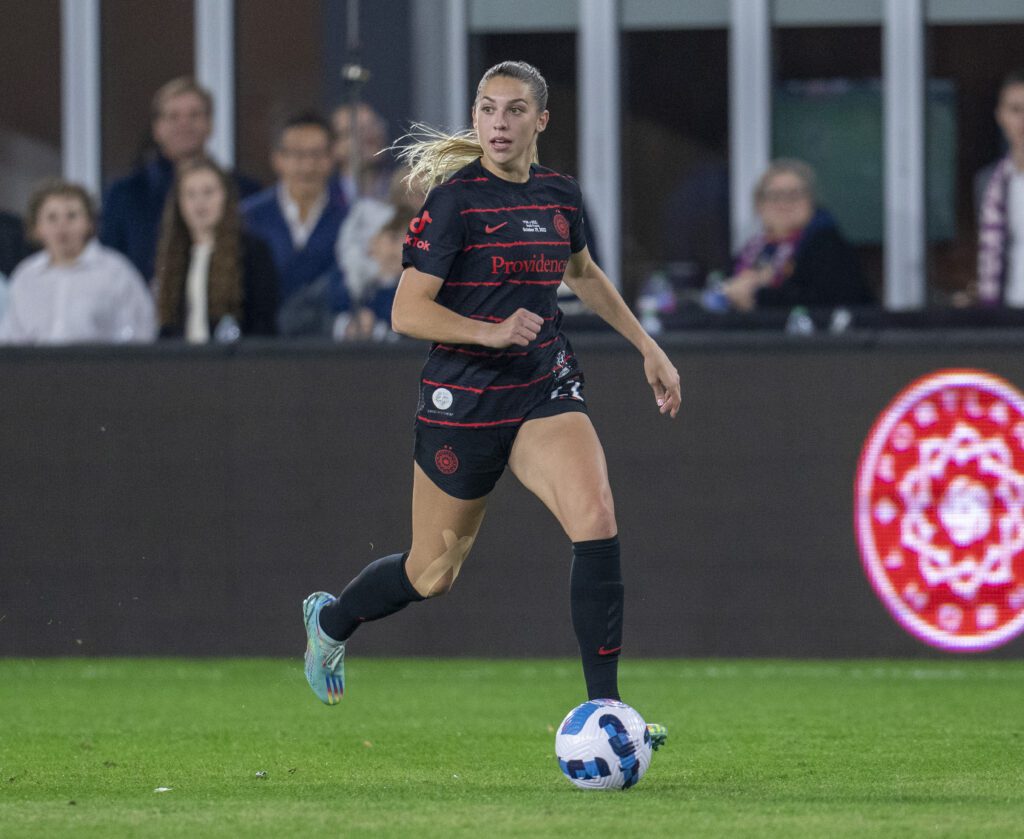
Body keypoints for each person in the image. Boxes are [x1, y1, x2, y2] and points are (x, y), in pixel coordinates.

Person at [301, 61, 680, 747]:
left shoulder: (560, 195)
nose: (498, 123)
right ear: (474, 118)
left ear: (541, 120)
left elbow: (582, 273)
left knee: (594, 515)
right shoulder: (454, 200)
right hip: (464, 399)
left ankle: (610, 713)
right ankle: (331, 622)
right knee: (431, 572)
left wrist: (645, 345)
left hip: (542, 384)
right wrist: (491, 329)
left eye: (513, 110)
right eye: (486, 109)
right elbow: (406, 310)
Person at [100, 77, 261, 280]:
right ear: (157, 128)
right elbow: (108, 266)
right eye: (173, 117)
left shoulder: (243, 191)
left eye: (194, 115)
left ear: (210, 124)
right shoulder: (125, 194)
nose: (184, 124)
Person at [0, 180, 156, 344]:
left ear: (90, 223)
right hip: (34, 368)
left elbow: (141, 331)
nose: (62, 226)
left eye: (72, 216)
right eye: (52, 217)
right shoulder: (25, 276)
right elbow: (10, 337)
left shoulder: (116, 272)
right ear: (37, 227)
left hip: (99, 367)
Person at [241, 113, 349, 335]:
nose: (308, 166)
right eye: (297, 155)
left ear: (331, 158)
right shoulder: (248, 217)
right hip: (262, 347)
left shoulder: (352, 218)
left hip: (329, 348)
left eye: (317, 155)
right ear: (277, 159)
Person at [718, 159, 869, 312]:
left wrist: (758, 296)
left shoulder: (828, 246)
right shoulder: (751, 249)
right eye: (774, 195)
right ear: (759, 205)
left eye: (794, 195)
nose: (784, 203)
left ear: (811, 201)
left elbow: (822, 303)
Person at [153, 157, 278, 340]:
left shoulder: (252, 251)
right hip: (181, 363)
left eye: (208, 192)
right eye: (190, 194)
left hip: (234, 363)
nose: (200, 203)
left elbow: (263, 324)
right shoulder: (174, 255)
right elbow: (168, 326)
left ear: (225, 197)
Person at [976, 69, 1024, 306]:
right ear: (1000, 116)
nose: (1023, 121)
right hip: (1007, 319)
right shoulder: (987, 183)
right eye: (1016, 111)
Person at [336, 212, 405, 341]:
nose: (402, 247)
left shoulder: (413, 293)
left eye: (408, 239)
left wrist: (378, 329)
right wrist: (346, 325)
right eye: (394, 238)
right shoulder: (341, 285)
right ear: (372, 242)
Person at [331, 102, 392, 206]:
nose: (369, 134)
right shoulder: (324, 199)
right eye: (353, 130)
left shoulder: (406, 192)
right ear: (334, 146)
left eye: (373, 125)